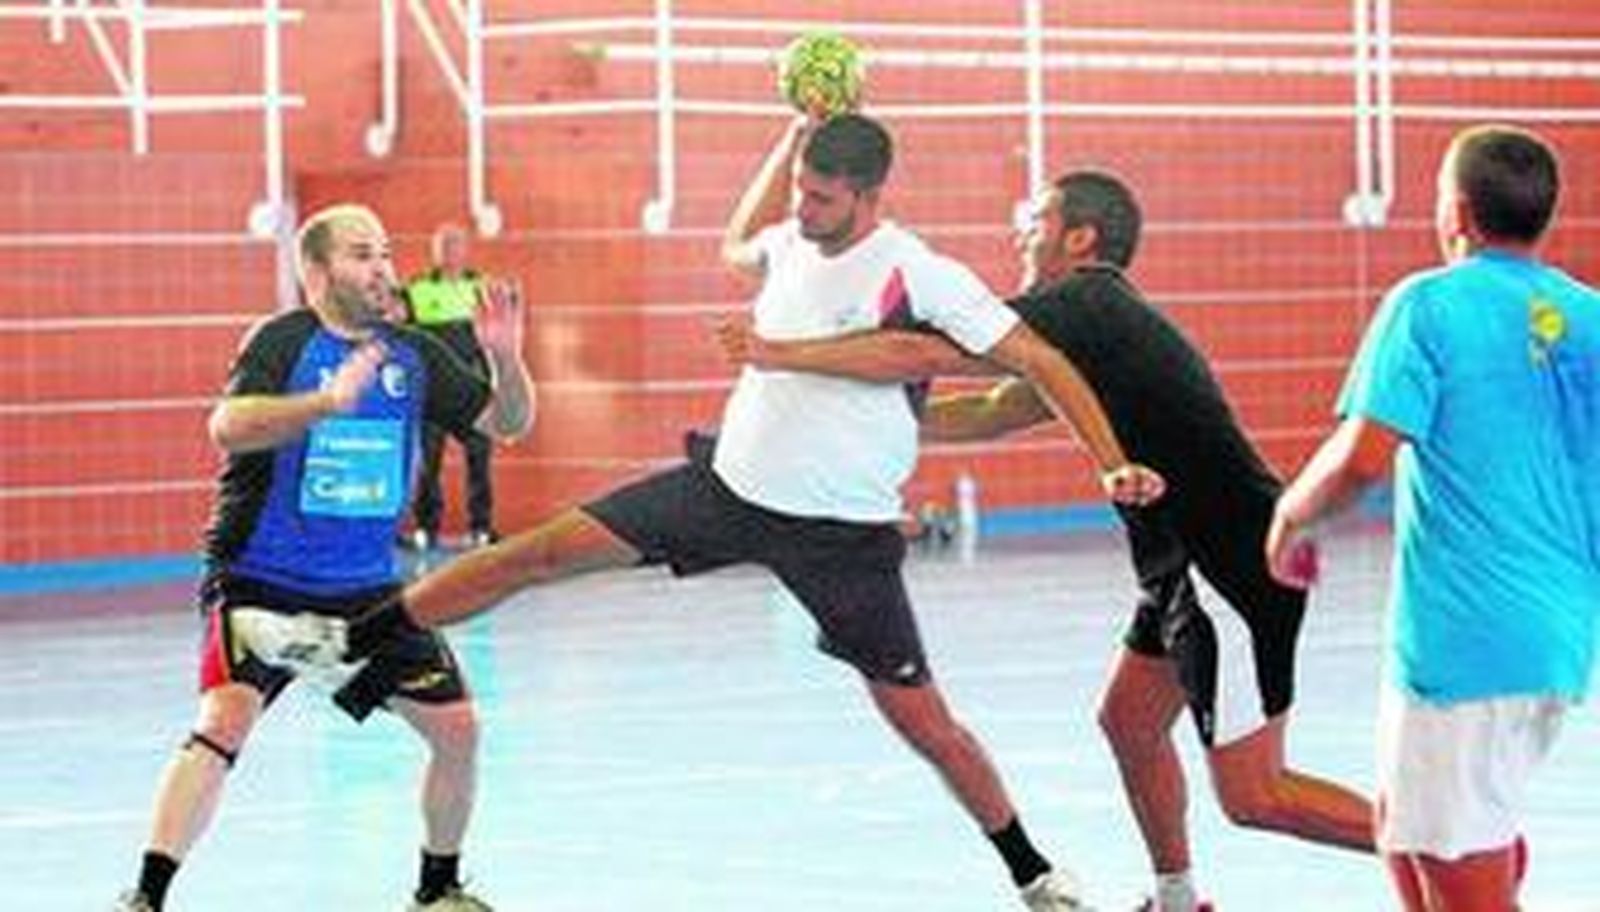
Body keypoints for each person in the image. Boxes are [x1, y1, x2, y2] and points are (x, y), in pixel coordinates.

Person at [236, 114, 1165, 911]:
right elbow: (735, 241)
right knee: (539, 551)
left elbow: (1042, 363)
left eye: (823, 198)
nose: (803, 210)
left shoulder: (922, 274)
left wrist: (1113, 462)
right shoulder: (791, 238)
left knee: (927, 727)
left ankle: (1033, 872)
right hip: (727, 490)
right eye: (800, 189)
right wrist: (788, 136)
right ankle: (347, 641)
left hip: (842, 538)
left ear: (870, 197)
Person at [715, 169, 1378, 911]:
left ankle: (1447, 848)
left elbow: (934, 350)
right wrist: (847, 415)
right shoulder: (1089, 330)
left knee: (1256, 796)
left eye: (1036, 218)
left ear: (1081, 238)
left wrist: (791, 352)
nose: (1019, 230)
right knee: (1129, 724)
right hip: (1179, 567)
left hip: (1222, 561)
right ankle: (1178, 898)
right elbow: (995, 410)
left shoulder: (1085, 299)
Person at [113, 203, 535, 912]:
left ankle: (437, 892)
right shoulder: (283, 341)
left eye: (385, 253)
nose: (382, 268)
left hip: (365, 589)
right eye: (361, 254)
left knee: (458, 730)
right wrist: (323, 403)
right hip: (259, 577)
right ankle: (146, 899)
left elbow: (509, 423)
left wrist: (505, 357)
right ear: (316, 271)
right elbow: (229, 426)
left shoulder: (414, 354)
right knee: (223, 721)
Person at [1266, 124, 1597, 912]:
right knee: (1403, 829)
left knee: (1462, 876)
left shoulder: (1427, 305)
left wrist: (1289, 518)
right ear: (1544, 216)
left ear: (1454, 211)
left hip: (1469, 641)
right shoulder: (1590, 315)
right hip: (1555, 634)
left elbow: (1361, 458)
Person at [405, 223, 499, 550]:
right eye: (442, 244)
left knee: (479, 461)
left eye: (455, 244)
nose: (448, 250)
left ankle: (481, 529)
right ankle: (425, 529)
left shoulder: (483, 288)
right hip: (431, 392)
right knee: (427, 464)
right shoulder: (416, 289)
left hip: (473, 391)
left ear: (466, 248)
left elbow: (496, 343)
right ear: (434, 250)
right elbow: (405, 341)